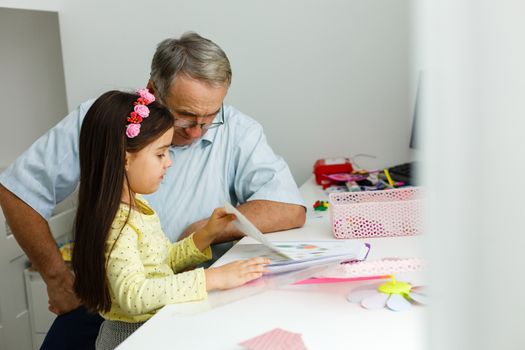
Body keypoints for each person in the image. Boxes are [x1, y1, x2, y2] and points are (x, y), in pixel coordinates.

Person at [0, 31, 305, 349]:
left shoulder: (237, 132)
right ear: (152, 92)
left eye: (211, 116)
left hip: (182, 291)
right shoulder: (106, 125)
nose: (198, 131)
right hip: (119, 309)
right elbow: (18, 188)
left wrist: (206, 232)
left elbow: (289, 208)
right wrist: (57, 278)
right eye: (185, 116)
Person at [72, 89, 269, 349]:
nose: (169, 163)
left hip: (156, 329)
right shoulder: (117, 224)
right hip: (132, 338)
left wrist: (207, 233)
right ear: (124, 159)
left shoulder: (138, 207)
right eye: (160, 154)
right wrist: (213, 278)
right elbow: (135, 295)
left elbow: (163, 263)